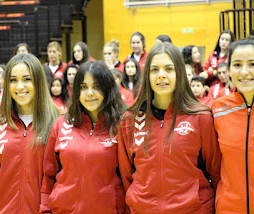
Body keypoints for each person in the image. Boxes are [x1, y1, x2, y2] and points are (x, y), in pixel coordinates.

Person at [118, 42, 221, 213]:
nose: (161, 75)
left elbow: (216, 173)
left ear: (179, 73)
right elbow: (126, 175)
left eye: (169, 69)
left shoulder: (201, 117)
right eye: (154, 70)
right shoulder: (129, 120)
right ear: (147, 75)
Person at [41, 61, 127, 213]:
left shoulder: (121, 126)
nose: (89, 93)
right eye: (83, 87)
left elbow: (129, 179)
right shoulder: (61, 124)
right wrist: (45, 209)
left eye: (96, 87)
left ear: (107, 89)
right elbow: (48, 175)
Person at [0, 53, 60, 213]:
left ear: (38, 82)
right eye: (13, 80)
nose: (19, 86)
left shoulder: (58, 122)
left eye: (27, 79)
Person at [211, 38, 254, 213]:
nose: (244, 72)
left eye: (252, 64)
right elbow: (213, 165)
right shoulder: (218, 109)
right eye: (237, 65)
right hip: (229, 208)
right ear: (228, 70)